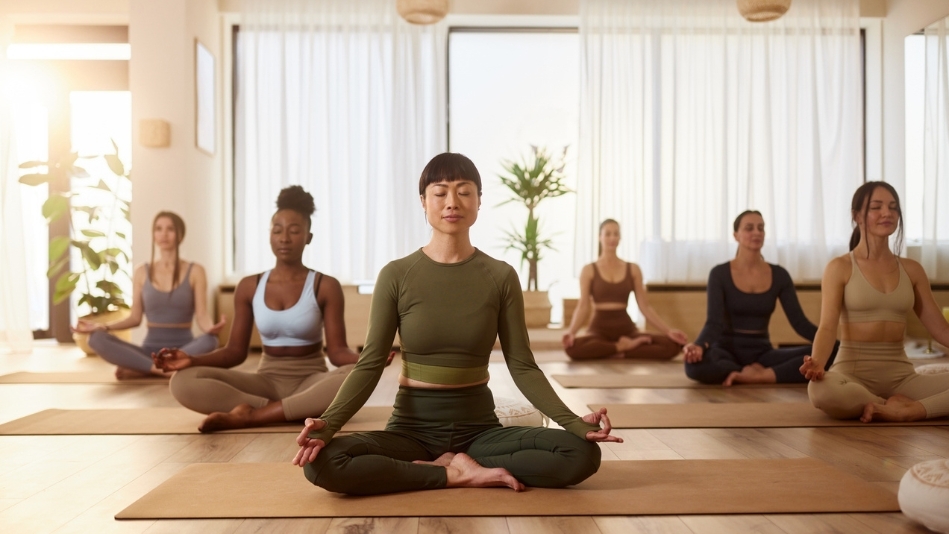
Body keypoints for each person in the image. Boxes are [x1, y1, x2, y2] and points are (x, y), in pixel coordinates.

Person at [292, 153, 620, 495]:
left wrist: (573, 424)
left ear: (479, 201)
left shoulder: (500, 276)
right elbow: (370, 364)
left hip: (480, 432)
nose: (452, 202)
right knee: (320, 462)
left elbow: (522, 366)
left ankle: (452, 465)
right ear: (423, 201)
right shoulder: (396, 275)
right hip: (410, 432)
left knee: (581, 453)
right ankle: (455, 474)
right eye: (440, 192)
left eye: (464, 191)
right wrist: (326, 427)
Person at [154, 186, 359, 432]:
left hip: (311, 381)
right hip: (265, 382)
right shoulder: (250, 286)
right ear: (270, 235)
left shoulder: (326, 286)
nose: (284, 238)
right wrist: (192, 360)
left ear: (308, 237)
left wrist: (369, 359)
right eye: (277, 230)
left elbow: (337, 352)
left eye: (294, 231)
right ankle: (292, 410)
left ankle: (252, 416)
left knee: (356, 376)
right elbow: (234, 352)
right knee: (182, 382)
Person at [802, 182, 949, 422]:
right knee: (821, 391)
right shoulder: (839, 267)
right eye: (876, 207)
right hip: (851, 376)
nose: (887, 213)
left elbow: (941, 329)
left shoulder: (912, 270)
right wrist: (817, 362)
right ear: (857, 216)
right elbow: (827, 327)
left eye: (893, 207)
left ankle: (910, 410)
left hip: (903, 379)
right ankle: (884, 405)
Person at [683, 211, 835, 386]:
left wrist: (834, 344)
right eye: (749, 228)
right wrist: (699, 345)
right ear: (736, 235)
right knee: (692, 365)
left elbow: (800, 323)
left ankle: (760, 376)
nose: (757, 232)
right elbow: (714, 323)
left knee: (826, 354)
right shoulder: (719, 274)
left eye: (761, 228)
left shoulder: (780, 275)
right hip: (725, 351)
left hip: (763, 355)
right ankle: (745, 372)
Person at [75, 211, 224, 379]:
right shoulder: (141, 271)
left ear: (180, 234)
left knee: (211, 340)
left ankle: (145, 369)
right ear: (153, 235)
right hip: (149, 352)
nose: (164, 234)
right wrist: (102, 327)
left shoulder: (196, 271)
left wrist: (211, 329)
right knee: (96, 339)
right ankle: (160, 369)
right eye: (158, 229)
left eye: (170, 229)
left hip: (184, 350)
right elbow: (135, 318)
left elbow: (202, 315)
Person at [562, 219, 687, 360]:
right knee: (572, 349)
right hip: (598, 330)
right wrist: (571, 332)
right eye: (608, 234)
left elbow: (645, 306)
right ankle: (621, 348)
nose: (612, 238)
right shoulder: (588, 270)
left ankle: (614, 350)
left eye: (616, 234)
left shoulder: (633, 268)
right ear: (599, 237)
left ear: (620, 237)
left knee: (672, 346)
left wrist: (668, 331)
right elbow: (583, 306)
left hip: (627, 329)